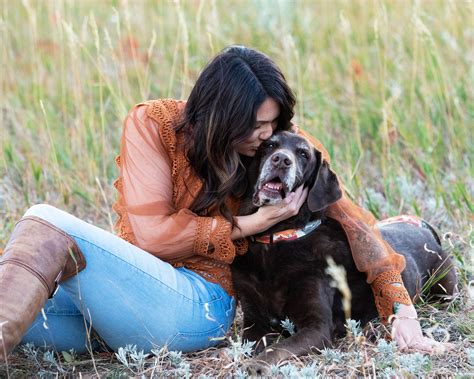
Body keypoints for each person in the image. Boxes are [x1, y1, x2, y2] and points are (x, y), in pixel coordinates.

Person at [0, 46, 452, 362]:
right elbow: (149, 237)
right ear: (223, 113)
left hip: (198, 308)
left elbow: (357, 226)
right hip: (129, 294)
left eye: (274, 123)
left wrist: (402, 308)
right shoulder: (154, 125)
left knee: (44, 220)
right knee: (20, 315)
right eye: (258, 125)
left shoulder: (272, 156)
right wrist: (248, 224)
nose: (265, 137)